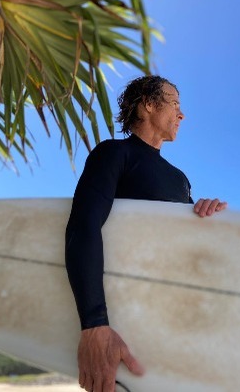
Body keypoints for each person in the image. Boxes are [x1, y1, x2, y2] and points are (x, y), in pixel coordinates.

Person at [65, 75, 227, 392]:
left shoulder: (179, 178)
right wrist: (94, 324)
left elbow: (184, 245)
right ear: (149, 105)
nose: (182, 115)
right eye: (175, 104)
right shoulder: (114, 153)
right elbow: (83, 226)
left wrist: (204, 213)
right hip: (126, 321)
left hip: (176, 320)